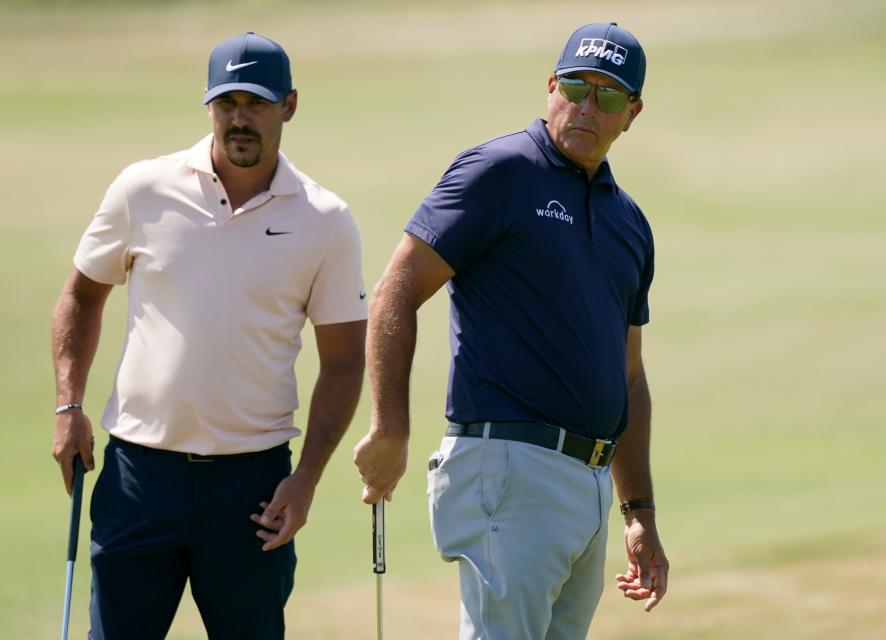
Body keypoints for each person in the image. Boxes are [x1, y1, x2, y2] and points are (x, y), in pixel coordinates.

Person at [354, 22, 668, 639]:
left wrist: (640, 512)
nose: (586, 106)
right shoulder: (497, 172)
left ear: (631, 113)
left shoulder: (628, 220)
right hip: (507, 466)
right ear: (552, 85)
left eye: (608, 97)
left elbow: (628, 375)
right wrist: (390, 426)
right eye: (576, 86)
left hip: (590, 484)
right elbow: (396, 288)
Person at [50, 32, 367, 639]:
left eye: (256, 104)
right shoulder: (143, 189)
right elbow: (80, 295)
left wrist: (306, 480)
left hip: (253, 490)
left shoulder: (324, 220)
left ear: (290, 105)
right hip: (140, 475)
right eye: (227, 104)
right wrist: (69, 406)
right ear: (208, 105)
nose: (239, 119)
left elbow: (345, 360)